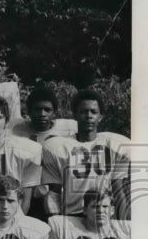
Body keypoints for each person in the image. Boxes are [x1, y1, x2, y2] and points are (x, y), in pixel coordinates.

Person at [42, 89, 129, 219]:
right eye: (83, 111)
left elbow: (118, 190)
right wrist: (56, 221)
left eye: (93, 112)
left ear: (100, 116)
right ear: (75, 115)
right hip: (72, 216)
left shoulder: (113, 145)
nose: (89, 116)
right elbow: (54, 193)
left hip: (103, 215)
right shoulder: (60, 147)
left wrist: (125, 222)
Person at [10, 85, 77, 221]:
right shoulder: (16, 131)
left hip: (56, 193)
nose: (42, 114)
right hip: (25, 193)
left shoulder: (67, 131)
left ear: (55, 112)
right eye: (37, 109)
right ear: (28, 111)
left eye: (47, 110)